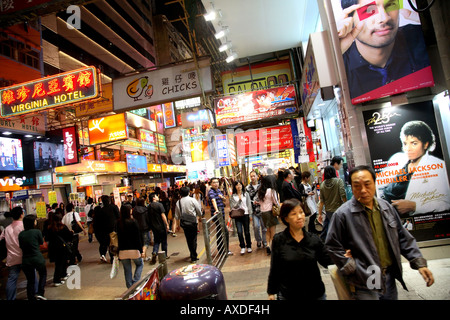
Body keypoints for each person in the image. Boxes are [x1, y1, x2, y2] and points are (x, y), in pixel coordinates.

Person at [325, 165, 434, 300]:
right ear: (351, 187)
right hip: (365, 279)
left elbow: (403, 237)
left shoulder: (386, 208)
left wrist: (419, 263)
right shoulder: (343, 214)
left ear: (375, 183)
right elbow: (332, 245)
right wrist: (350, 266)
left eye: (367, 184)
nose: (363, 190)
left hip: (389, 277)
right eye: (357, 185)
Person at [336, 0, 431, 100]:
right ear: (349, 19)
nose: (384, 18)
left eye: (390, 5)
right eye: (369, 10)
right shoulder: (340, 67)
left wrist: (427, 21)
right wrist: (336, 52)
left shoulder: (418, 38)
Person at [380, 120, 450, 215]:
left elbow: (446, 204)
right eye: (405, 143)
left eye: (414, 143)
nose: (408, 148)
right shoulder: (398, 159)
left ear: (425, 144)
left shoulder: (438, 166)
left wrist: (414, 206)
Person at [267, 199, 332, 300]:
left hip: (315, 294)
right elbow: (275, 267)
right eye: (294, 214)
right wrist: (271, 292)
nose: (299, 217)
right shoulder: (279, 240)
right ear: (286, 218)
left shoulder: (313, 239)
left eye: (301, 212)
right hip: (289, 295)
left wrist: (343, 256)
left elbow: (327, 261)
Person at [18, 215, 47, 300]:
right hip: (37, 258)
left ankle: (31, 297)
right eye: (35, 220)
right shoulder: (37, 231)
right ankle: (40, 293)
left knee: (30, 280)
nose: (36, 222)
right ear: (32, 222)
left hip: (26, 260)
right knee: (43, 274)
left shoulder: (21, 234)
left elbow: (21, 246)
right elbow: (41, 243)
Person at [117, 204, 145, 288]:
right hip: (134, 249)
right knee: (140, 264)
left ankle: (129, 287)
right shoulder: (133, 222)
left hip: (122, 250)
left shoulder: (118, 223)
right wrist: (141, 250)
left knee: (127, 269)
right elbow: (138, 237)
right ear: (129, 211)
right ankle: (135, 283)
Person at [0, 207, 24, 300]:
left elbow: (1, 239)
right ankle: (34, 295)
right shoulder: (24, 226)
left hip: (12, 259)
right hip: (24, 257)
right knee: (32, 277)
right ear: (21, 214)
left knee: (11, 280)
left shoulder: (6, 229)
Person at [318, 166, 347, 241]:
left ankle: (324, 239)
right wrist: (347, 205)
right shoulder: (338, 181)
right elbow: (343, 194)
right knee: (339, 229)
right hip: (338, 209)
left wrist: (320, 214)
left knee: (330, 226)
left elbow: (321, 202)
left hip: (328, 211)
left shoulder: (322, 184)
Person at [45, 210, 73, 287]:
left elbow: (47, 238)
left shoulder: (49, 228)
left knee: (60, 262)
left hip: (53, 248)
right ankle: (56, 280)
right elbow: (69, 237)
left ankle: (63, 274)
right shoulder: (63, 227)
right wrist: (71, 233)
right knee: (60, 263)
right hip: (62, 248)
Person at [174, 187, 202, 263]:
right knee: (194, 238)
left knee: (188, 239)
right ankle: (193, 255)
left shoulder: (178, 202)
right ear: (188, 193)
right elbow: (198, 210)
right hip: (193, 222)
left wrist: (178, 224)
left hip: (184, 223)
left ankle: (192, 253)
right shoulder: (192, 200)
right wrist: (200, 216)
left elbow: (177, 215)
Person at [208, 177, 233, 256]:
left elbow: (225, 200)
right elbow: (213, 200)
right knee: (224, 232)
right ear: (211, 184)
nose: (216, 184)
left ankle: (222, 250)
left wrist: (222, 197)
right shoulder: (211, 191)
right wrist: (216, 210)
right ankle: (224, 250)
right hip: (217, 215)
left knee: (220, 232)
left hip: (221, 214)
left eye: (217, 182)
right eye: (214, 182)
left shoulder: (218, 190)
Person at [256, 176, 280, 255]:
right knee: (273, 231)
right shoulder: (271, 191)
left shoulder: (261, 190)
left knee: (267, 230)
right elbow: (276, 202)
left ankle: (268, 245)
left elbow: (260, 201)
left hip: (263, 212)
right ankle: (273, 247)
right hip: (270, 212)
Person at [93, 195, 119, 263]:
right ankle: (116, 256)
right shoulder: (114, 207)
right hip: (114, 229)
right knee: (115, 243)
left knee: (109, 244)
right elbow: (118, 216)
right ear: (109, 200)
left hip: (105, 230)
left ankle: (112, 257)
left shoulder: (101, 210)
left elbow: (100, 221)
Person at [230, 181, 253, 255]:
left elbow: (249, 204)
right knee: (239, 232)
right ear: (235, 187)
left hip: (245, 214)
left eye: (240, 184)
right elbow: (233, 207)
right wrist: (239, 200)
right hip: (237, 216)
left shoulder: (246, 194)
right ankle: (242, 247)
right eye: (237, 185)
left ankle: (249, 246)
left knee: (247, 231)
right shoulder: (233, 196)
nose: (239, 186)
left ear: (242, 186)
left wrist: (250, 214)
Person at [147, 192, 170, 264]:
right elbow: (163, 215)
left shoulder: (149, 207)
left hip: (154, 227)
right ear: (153, 198)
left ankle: (154, 252)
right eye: (156, 196)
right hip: (161, 226)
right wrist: (167, 224)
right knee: (164, 241)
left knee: (156, 241)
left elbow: (148, 218)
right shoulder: (159, 205)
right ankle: (164, 255)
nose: (157, 196)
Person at [246, 170, 267, 249]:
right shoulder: (247, 188)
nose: (252, 178)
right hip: (254, 211)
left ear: (257, 176)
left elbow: (266, 196)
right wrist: (252, 202)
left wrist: (261, 201)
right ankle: (258, 240)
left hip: (263, 209)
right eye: (251, 176)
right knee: (256, 226)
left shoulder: (262, 186)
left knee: (264, 227)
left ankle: (265, 241)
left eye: (254, 176)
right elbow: (247, 200)